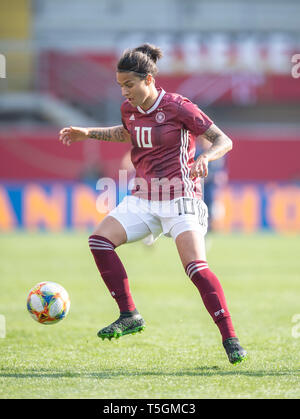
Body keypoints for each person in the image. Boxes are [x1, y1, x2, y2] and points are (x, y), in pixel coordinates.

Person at [59, 44, 247, 365]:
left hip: (181, 198)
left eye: (129, 85)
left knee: (196, 269)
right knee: (99, 241)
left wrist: (206, 157)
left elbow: (222, 140)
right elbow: (127, 132)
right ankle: (129, 314)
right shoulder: (129, 108)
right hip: (144, 199)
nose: (124, 91)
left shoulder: (179, 107)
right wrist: (87, 133)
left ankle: (230, 338)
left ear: (148, 79)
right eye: (120, 86)